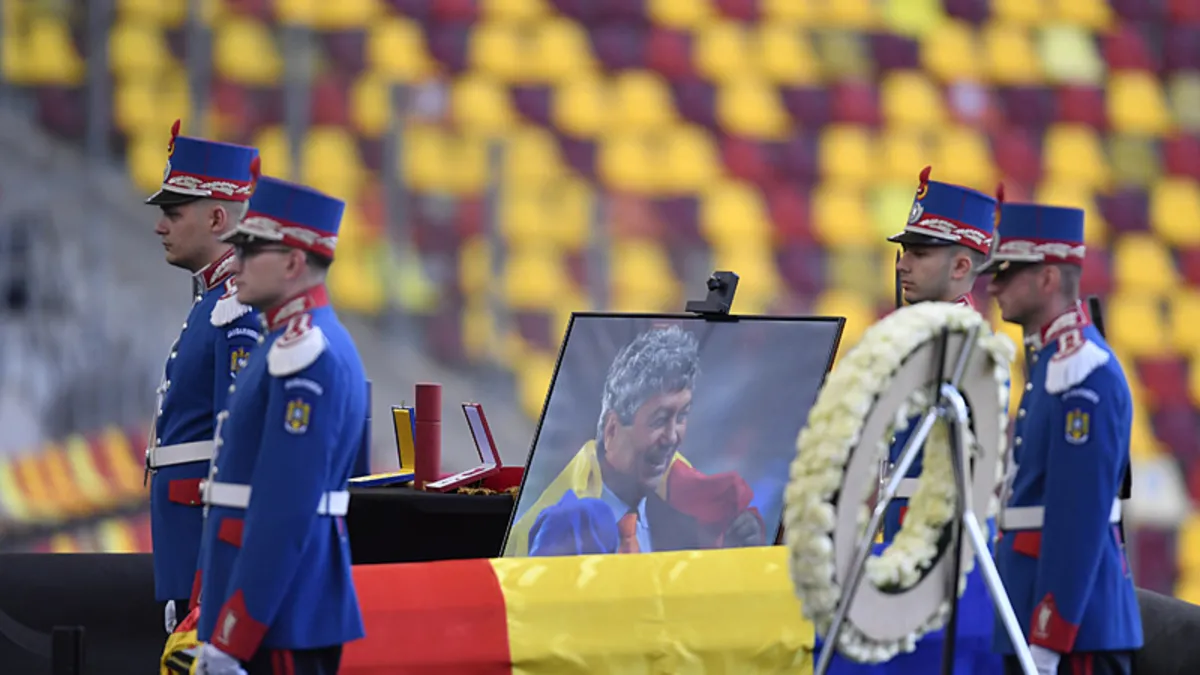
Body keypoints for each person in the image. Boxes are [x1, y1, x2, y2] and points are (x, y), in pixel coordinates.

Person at [816, 167, 1004, 675]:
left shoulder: (962, 347)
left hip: (942, 567)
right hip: (903, 550)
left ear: (962, 264)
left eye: (920, 253)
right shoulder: (916, 338)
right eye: (903, 252)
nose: (903, 264)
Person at [192, 177, 367, 675]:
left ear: (293, 263)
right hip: (264, 605)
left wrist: (235, 634)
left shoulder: (305, 353)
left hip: (278, 615)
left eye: (251, 251)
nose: (235, 263)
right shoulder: (282, 340)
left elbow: (285, 508)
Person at [982, 203, 1142, 675]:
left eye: (1008, 273)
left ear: (1048, 278)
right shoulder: (1053, 361)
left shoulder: (1081, 371)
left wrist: (1050, 636)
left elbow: (1078, 515)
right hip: (1035, 614)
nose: (993, 286)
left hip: (1073, 631)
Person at [144, 119, 263, 637]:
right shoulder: (213, 302)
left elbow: (236, 455)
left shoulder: (236, 310)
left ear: (217, 217)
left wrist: (211, 579)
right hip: (188, 555)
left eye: (173, 213)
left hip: (204, 562)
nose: (160, 227)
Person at [504, 325, 767, 557]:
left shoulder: (690, 523)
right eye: (659, 419)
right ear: (612, 429)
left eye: (681, 417)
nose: (671, 436)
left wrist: (740, 551)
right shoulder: (565, 526)